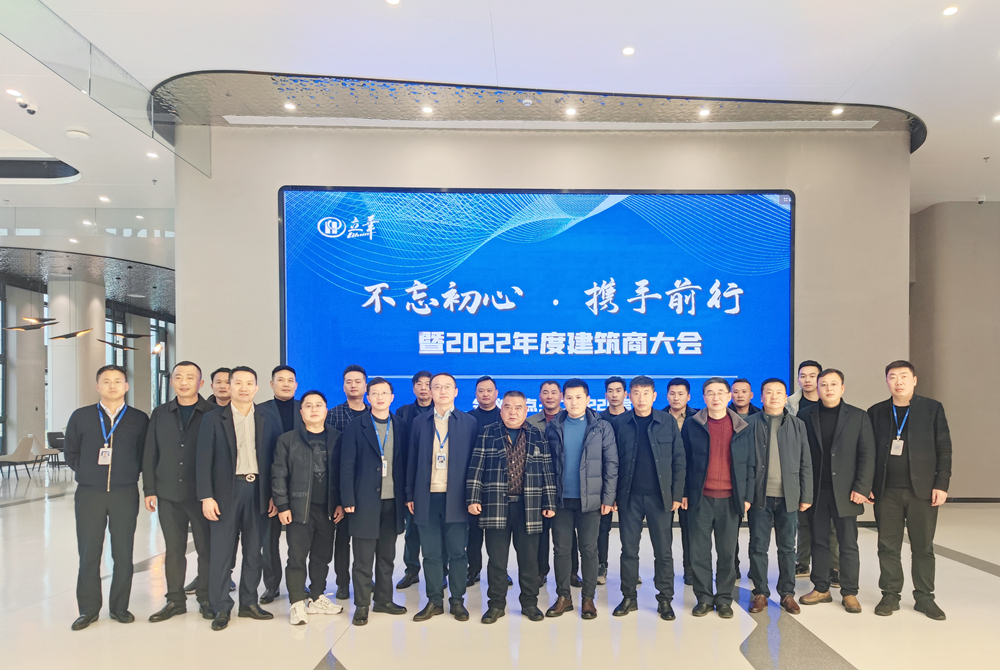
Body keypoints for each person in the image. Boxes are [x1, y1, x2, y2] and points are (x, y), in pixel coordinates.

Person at [197, 366, 282, 631]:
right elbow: (202, 461)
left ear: (256, 388)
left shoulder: (269, 417)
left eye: (249, 383)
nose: (243, 388)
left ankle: (249, 603)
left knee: (254, 552)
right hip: (225, 492)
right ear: (230, 387)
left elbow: (277, 461)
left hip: (259, 491)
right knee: (222, 553)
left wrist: (275, 496)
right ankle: (221, 606)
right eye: (238, 383)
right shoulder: (213, 419)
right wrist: (206, 496)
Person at [65, 365, 150, 631]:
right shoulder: (81, 416)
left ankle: (119, 607)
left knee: (123, 552)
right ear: (97, 386)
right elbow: (71, 452)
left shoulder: (138, 418)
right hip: (89, 493)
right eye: (106, 381)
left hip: (125, 492)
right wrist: (88, 473)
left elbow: (144, 454)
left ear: (126, 386)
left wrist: (129, 474)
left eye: (117, 381)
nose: (112, 386)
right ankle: (88, 610)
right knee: (89, 552)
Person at [867, 360, 951, 621]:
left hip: (922, 491)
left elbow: (944, 448)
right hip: (886, 491)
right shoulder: (876, 412)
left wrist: (941, 484)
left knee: (923, 546)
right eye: (893, 377)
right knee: (887, 546)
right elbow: (867, 452)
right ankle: (890, 594)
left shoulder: (932, 409)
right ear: (887, 381)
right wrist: (867, 485)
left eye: (904, 376)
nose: (899, 382)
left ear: (914, 380)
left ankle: (925, 597)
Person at [467, 390, 556, 623]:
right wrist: (473, 498)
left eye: (518, 408)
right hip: (495, 505)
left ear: (526, 410)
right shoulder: (488, 433)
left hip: (529, 507)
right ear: (501, 409)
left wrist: (549, 502)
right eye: (507, 407)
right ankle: (496, 605)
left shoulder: (537, 435)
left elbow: (547, 471)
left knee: (529, 560)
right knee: (497, 560)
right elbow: (476, 468)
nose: (513, 412)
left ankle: (529, 603)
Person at [798, 369, 875, 614]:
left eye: (834, 384)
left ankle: (850, 592)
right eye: (824, 384)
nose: (828, 389)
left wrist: (862, 488)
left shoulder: (858, 416)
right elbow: (800, 454)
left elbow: (867, 454)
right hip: (817, 492)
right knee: (819, 542)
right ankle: (821, 588)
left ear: (842, 388)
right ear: (817, 388)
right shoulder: (805, 415)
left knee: (848, 544)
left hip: (847, 492)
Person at [143, 361, 215, 622]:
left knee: (206, 549)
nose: (184, 382)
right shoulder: (160, 413)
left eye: (190, 377)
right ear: (172, 381)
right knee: (173, 550)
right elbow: (150, 452)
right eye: (178, 377)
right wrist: (149, 489)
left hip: (203, 495)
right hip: (168, 493)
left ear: (200, 383)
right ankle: (175, 600)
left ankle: (205, 597)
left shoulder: (213, 413)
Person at [406, 372, 479, 622]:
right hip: (426, 497)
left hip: (457, 498)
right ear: (431, 391)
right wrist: (409, 493)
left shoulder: (469, 422)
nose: (442, 391)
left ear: (456, 392)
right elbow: (411, 460)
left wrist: (473, 497)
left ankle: (457, 601)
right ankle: (434, 601)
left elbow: (476, 464)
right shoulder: (419, 422)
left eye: (448, 386)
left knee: (458, 552)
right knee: (431, 553)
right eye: (437, 387)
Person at [612, 376, 685, 621]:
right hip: (629, 497)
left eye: (646, 393)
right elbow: (613, 461)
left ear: (654, 396)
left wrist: (677, 494)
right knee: (628, 550)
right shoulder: (620, 423)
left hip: (660, 497)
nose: (641, 398)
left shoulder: (667, 421)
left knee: (663, 551)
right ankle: (628, 597)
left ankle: (665, 599)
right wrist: (612, 495)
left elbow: (679, 459)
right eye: (636, 393)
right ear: (629, 396)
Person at [681, 377, 755, 619]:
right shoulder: (692, 425)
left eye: (721, 392)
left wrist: (747, 496)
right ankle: (703, 598)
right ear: (704, 397)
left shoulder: (742, 426)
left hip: (731, 499)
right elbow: (683, 461)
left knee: (727, 553)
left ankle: (724, 599)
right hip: (700, 498)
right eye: (710, 393)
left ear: (729, 396)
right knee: (699, 553)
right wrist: (683, 493)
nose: (716, 397)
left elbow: (751, 464)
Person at [544, 379, 617, 620]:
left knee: (589, 549)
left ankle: (588, 599)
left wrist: (608, 498)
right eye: (569, 398)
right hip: (561, 501)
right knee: (561, 550)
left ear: (587, 399)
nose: (573, 402)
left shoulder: (602, 427)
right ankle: (563, 597)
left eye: (578, 397)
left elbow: (612, 464)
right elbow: (545, 466)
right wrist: (547, 499)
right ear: (563, 400)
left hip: (591, 500)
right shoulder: (553, 427)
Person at [272, 390, 345, 625]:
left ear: (326, 410)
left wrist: (341, 503)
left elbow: (343, 474)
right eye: (309, 406)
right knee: (297, 557)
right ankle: (296, 603)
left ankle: (316, 597)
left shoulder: (337, 438)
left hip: (328, 509)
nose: (314, 410)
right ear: (301, 411)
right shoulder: (287, 440)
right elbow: (279, 474)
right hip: (298, 509)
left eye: (319, 405)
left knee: (322, 557)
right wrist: (282, 505)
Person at [341, 378, 409, 625]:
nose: (380, 397)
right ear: (368, 397)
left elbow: (405, 464)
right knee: (363, 559)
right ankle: (361, 605)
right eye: (375, 393)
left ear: (392, 397)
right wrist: (347, 497)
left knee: (387, 557)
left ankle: (383, 600)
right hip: (363, 502)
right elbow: (346, 464)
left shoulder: (401, 425)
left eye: (384, 393)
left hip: (392, 501)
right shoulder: (356, 426)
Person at [746, 378, 813, 615]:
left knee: (787, 548)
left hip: (789, 496)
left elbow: (805, 461)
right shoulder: (749, 423)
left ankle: (787, 593)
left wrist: (806, 495)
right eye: (769, 392)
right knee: (758, 546)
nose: (774, 396)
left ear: (786, 397)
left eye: (779, 392)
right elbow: (743, 463)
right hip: (759, 496)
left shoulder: (797, 424)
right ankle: (760, 593)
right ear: (761, 397)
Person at [787, 360, 839, 580]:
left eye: (812, 376)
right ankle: (802, 562)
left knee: (832, 523)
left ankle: (834, 567)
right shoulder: (791, 405)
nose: (807, 380)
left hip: (830, 472)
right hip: (801, 470)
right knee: (804, 520)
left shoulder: (832, 402)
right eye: (803, 376)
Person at [257, 364, 301, 604]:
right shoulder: (259, 411)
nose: (286, 384)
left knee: (299, 541)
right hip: (270, 484)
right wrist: (272, 493)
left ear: (296, 385)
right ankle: (271, 585)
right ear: (271, 384)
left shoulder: (304, 409)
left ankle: (298, 584)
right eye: (280, 380)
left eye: (290, 380)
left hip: (301, 485)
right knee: (269, 540)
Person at [326, 364, 369, 600]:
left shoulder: (375, 414)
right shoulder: (333, 415)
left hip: (369, 489)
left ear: (365, 385)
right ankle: (342, 582)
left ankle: (365, 578)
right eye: (349, 381)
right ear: (343, 386)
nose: (353, 385)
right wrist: (338, 497)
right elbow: (332, 458)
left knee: (367, 540)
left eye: (358, 381)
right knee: (342, 540)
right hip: (344, 487)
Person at [527, 380, 570, 586]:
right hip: (538, 485)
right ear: (540, 396)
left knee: (567, 534)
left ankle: (571, 572)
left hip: (564, 484)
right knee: (540, 533)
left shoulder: (570, 418)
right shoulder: (530, 422)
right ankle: (540, 571)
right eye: (545, 392)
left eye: (554, 392)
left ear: (561, 396)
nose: (550, 396)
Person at [394, 370, 433, 589]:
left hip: (437, 478)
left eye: (428, 384)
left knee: (437, 529)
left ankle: (440, 571)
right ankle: (411, 570)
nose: (423, 388)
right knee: (412, 530)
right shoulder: (404, 412)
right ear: (413, 387)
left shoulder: (443, 411)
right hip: (412, 477)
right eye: (419, 384)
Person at [467, 375, 502, 586]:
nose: (485, 394)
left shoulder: (505, 416)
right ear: (476, 394)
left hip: (499, 483)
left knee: (497, 535)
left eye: (489, 390)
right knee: (473, 532)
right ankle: (473, 570)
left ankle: (499, 571)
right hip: (474, 482)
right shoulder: (467, 419)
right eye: (481, 391)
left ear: (496, 393)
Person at [665, 377, 697, 585]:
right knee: (663, 532)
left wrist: (684, 490)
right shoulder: (658, 417)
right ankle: (665, 572)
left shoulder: (698, 418)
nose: (676, 398)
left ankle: (690, 569)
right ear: (667, 395)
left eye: (680, 394)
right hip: (663, 484)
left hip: (690, 483)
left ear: (688, 396)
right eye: (672, 394)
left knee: (690, 530)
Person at [596, 375, 627, 584]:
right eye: (610, 391)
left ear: (626, 394)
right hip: (604, 481)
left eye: (618, 390)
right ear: (605, 394)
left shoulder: (633, 418)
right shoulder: (597, 420)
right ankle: (601, 565)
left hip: (628, 481)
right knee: (602, 527)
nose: (614, 395)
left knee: (629, 529)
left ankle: (630, 569)